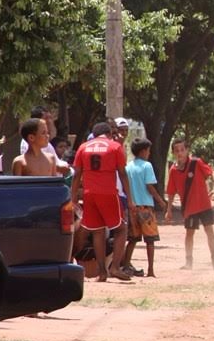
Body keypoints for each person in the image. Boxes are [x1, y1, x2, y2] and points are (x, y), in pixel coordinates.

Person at [70, 121, 135, 282]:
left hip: (89, 194)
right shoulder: (114, 147)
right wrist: (131, 199)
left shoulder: (83, 147)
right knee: (121, 229)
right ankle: (115, 267)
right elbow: (122, 174)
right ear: (109, 133)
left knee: (97, 231)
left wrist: (73, 198)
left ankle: (102, 272)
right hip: (108, 193)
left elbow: (77, 174)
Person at [165, 138, 214, 270]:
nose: (180, 153)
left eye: (182, 150)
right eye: (177, 150)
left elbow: (212, 171)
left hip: (204, 204)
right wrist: (169, 210)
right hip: (189, 207)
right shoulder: (173, 170)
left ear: (187, 150)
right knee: (189, 233)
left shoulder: (196, 163)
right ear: (173, 152)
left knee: (209, 231)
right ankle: (188, 261)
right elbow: (171, 192)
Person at [125, 138, 167, 278]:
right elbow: (150, 187)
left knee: (132, 239)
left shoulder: (128, 167)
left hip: (132, 208)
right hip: (146, 208)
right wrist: (160, 201)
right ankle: (150, 270)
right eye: (148, 150)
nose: (149, 153)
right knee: (150, 240)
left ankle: (126, 265)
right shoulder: (147, 166)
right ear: (143, 151)